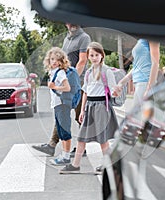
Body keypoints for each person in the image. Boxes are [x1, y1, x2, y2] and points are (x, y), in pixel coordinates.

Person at [32, 24, 91, 157]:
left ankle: (81, 148)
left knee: (79, 117)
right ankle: (52, 145)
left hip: (78, 84)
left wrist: (72, 79)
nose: (71, 24)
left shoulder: (84, 38)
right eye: (68, 21)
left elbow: (82, 61)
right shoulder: (67, 39)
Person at [60, 42, 119, 173]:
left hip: (102, 107)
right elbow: (85, 92)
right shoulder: (88, 73)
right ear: (88, 57)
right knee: (81, 138)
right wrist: (82, 110)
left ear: (102, 55)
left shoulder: (106, 71)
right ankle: (75, 165)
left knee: (102, 139)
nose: (94, 57)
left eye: (96, 55)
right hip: (90, 107)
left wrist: (116, 91)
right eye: (91, 55)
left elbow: (113, 89)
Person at [43, 47, 73, 165]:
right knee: (61, 131)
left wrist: (54, 87)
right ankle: (65, 155)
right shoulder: (52, 72)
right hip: (57, 105)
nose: (54, 62)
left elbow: (67, 88)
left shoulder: (60, 73)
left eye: (57, 59)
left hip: (62, 105)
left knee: (65, 131)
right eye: (52, 59)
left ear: (61, 61)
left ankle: (66, 156)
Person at [113, 39, 160, 104]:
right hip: (139, 84)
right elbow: (136, 67)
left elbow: (155, 63)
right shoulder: (141, 40)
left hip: (145, 83)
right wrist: (121, 83)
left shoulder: (152, 37)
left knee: (137, 113)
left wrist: (149, 89)